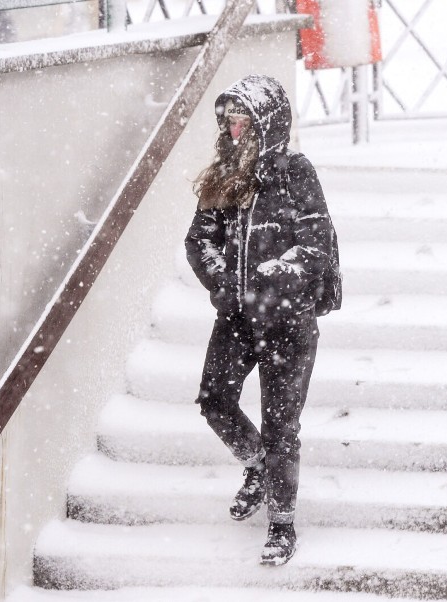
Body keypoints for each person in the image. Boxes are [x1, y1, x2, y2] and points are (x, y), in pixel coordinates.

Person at [185, 74, 341, 566]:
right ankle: (255, 467)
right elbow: (199, 240)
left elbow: (315, 245)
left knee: (281, 427)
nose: (233, 128)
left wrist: (270, 277)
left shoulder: (296, 172)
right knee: (214, 401)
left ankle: (281, 525)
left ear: (266, 121)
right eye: (227, 118)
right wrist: (223, 281)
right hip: (236, 318)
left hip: (287, 324)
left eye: (242, 118)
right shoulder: (224, 176)